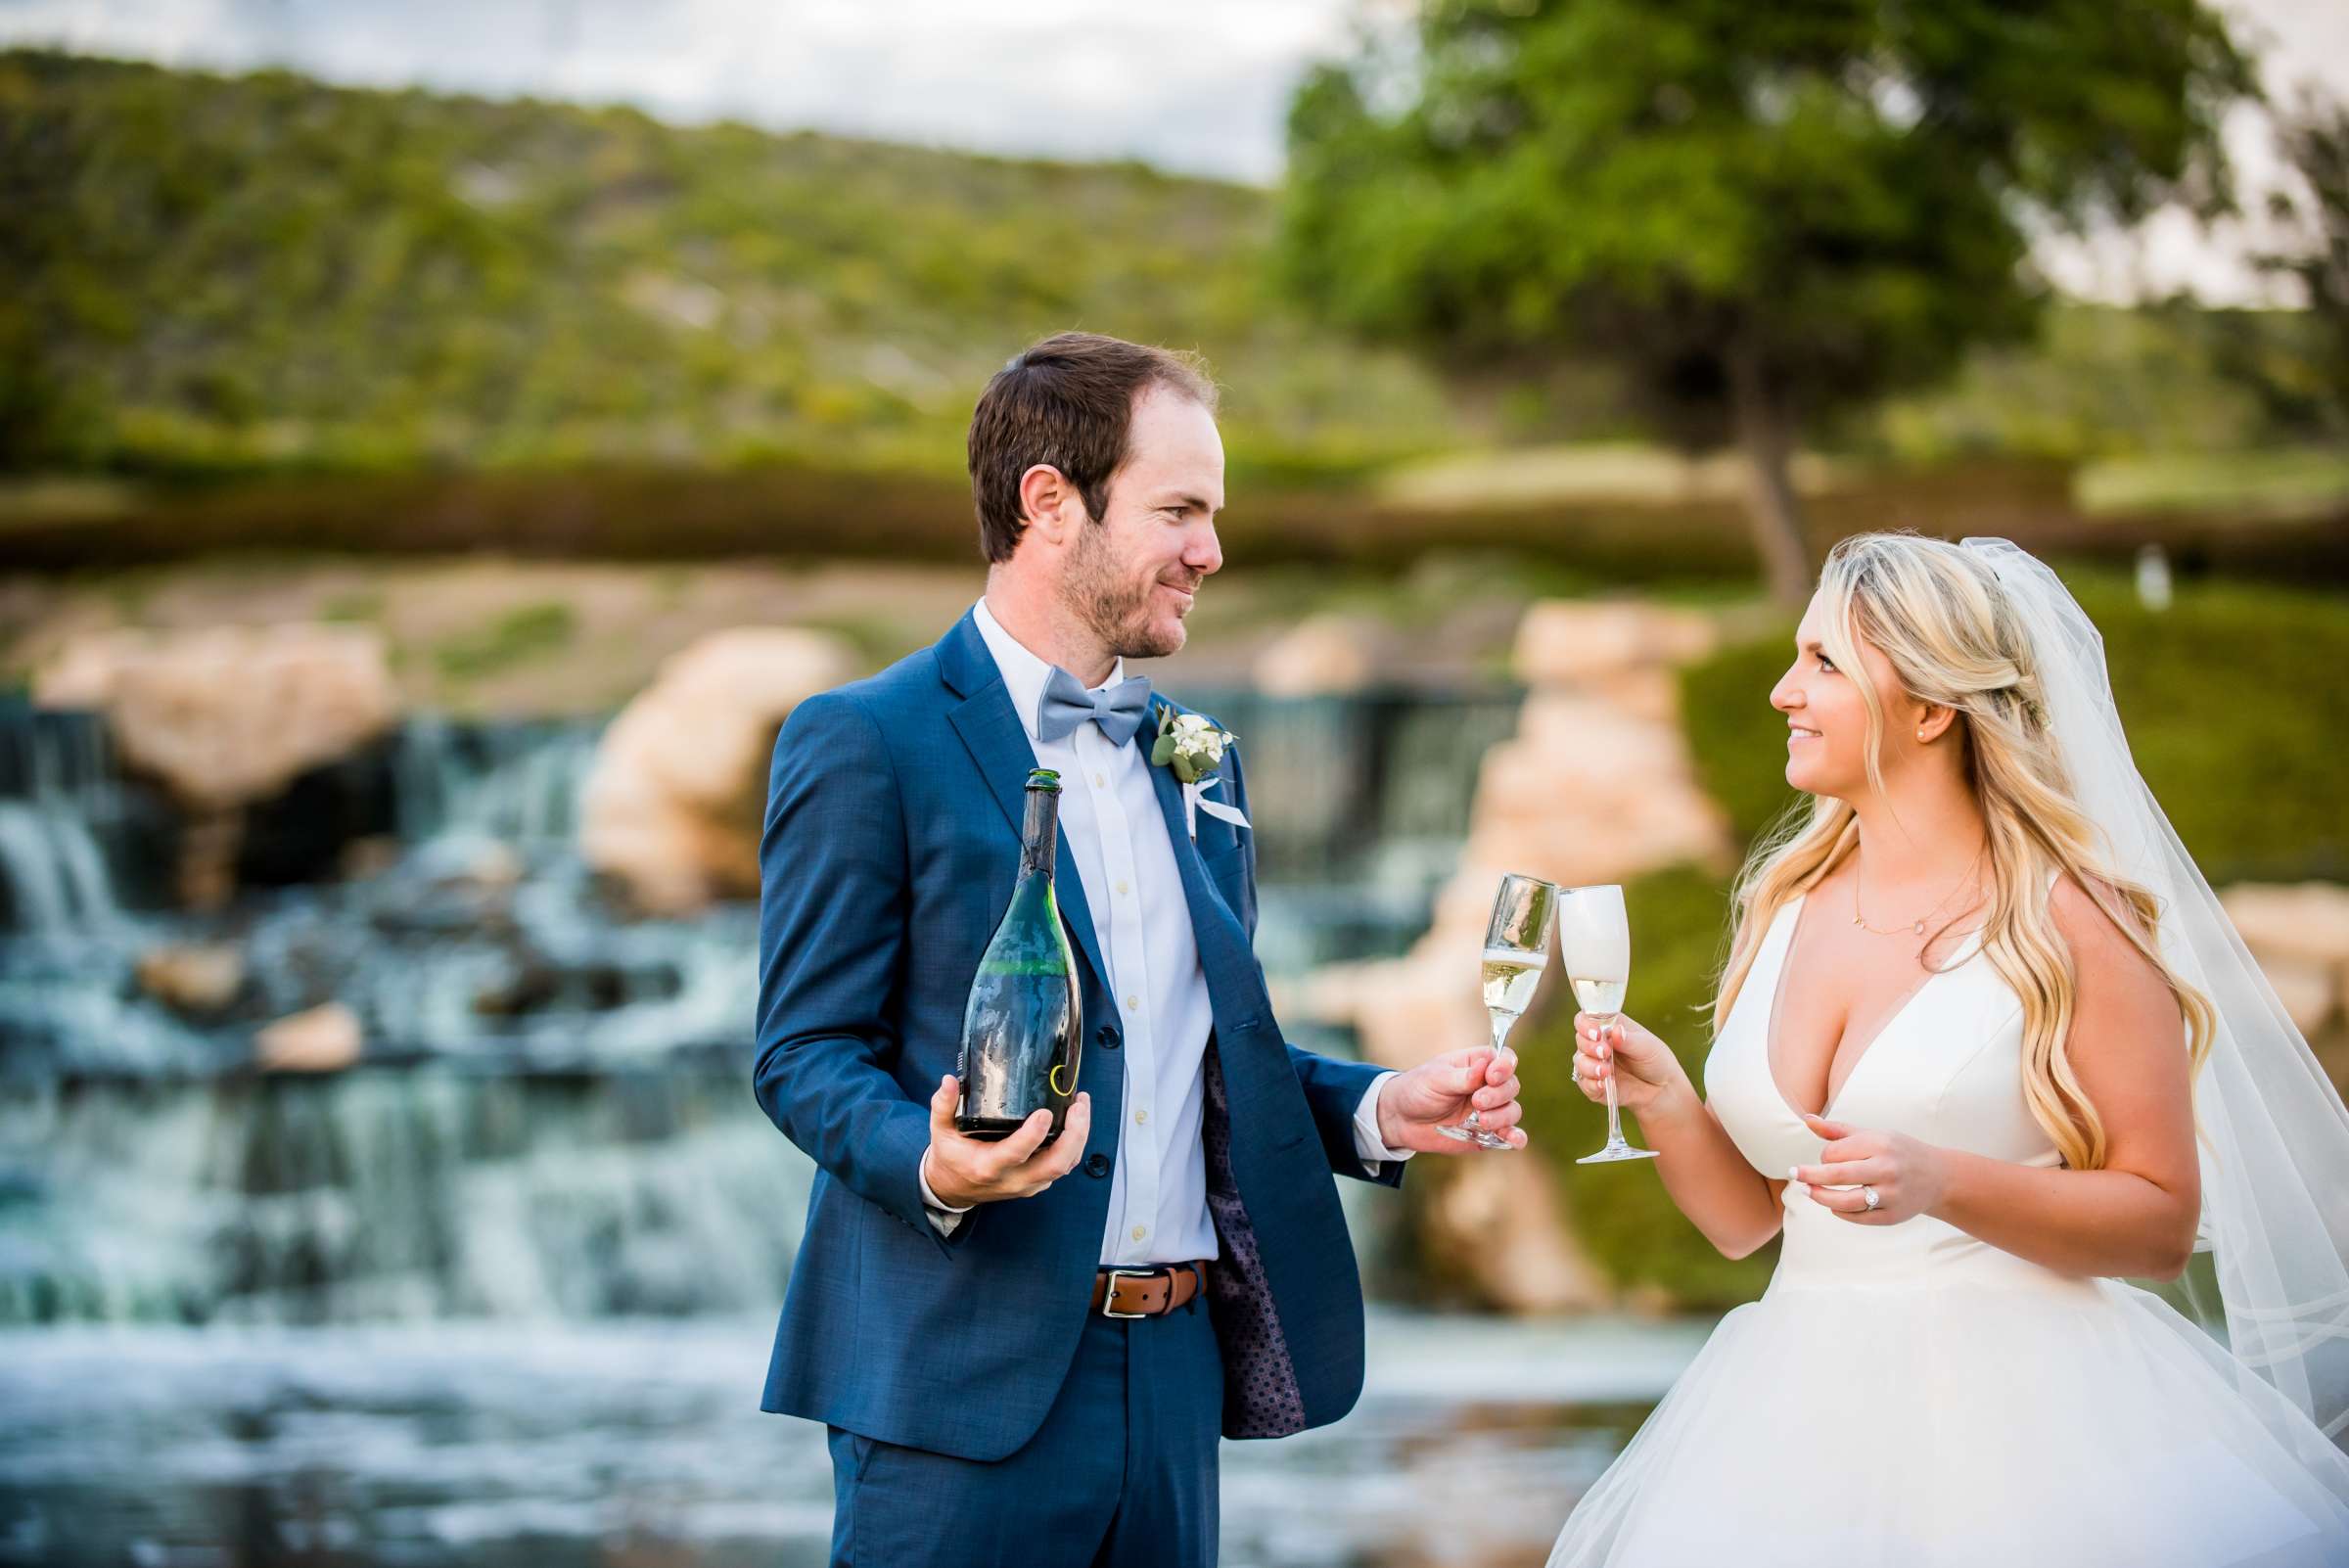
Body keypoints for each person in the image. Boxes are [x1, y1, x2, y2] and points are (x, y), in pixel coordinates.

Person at [752, 331, 1525, 1568]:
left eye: (1210, 515)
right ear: (1050, 502)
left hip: (1174, 1380)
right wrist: (937, 1164)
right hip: (956, 1388)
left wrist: (1380, 1107)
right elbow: (801, 1053)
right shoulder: (864, 739)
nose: (1210, 551)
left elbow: (1198, 1047)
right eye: (1179, 510)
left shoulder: (1199, 757)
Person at [1549, 531, 2349, 1565]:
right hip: (1791, 1425)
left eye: (1824, 663)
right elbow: (1752, 1225)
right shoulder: (1782, 903)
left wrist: (1943, 1180)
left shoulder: (2074, 922)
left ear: (1930, 710)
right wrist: (1665, 1106)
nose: (1783, 692)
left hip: (2032, 1434)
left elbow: (2159, 1220)